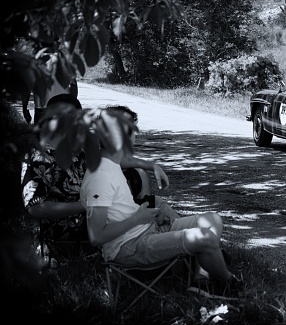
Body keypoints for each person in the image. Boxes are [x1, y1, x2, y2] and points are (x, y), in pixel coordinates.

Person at [80, 105, 243, 299]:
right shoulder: (100, 178)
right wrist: (137, 219)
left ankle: (201, 280)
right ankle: (230, 283)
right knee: (206, 237)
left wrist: (151, 166)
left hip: (146, 230)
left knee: (213, 220)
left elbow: (123, 162)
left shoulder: (107, 162)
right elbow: (96, 236)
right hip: (129, 247)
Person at [20, 96, 171, 254]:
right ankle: (153, 250)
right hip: (69, 227)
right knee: (155, 208)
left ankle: (164, 244)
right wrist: (83, 206)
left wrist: (151, 166)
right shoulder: (37, 158)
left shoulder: (76, 148)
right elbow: (35, 208)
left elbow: (112, 159)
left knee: (146, 189)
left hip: (97, 212)